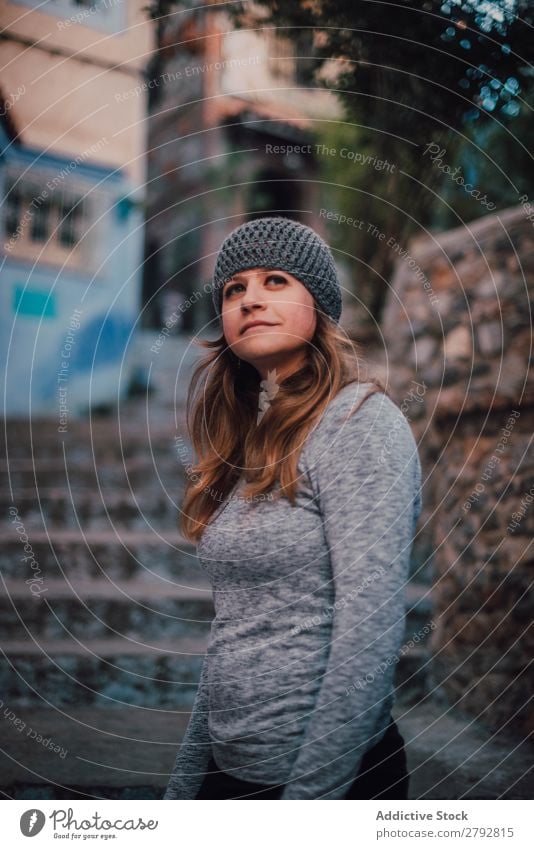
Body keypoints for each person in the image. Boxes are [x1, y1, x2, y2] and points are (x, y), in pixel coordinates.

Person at [163, 216, 422, 800]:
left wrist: (307, 806)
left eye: (275, 280)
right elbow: (235, 627)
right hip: (230, 776)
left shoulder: (359, 424)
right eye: (234, 289)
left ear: (320, 307)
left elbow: (371, 634)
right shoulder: (248, 441)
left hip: (325, 781)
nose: (251, 298)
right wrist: (186, 787)